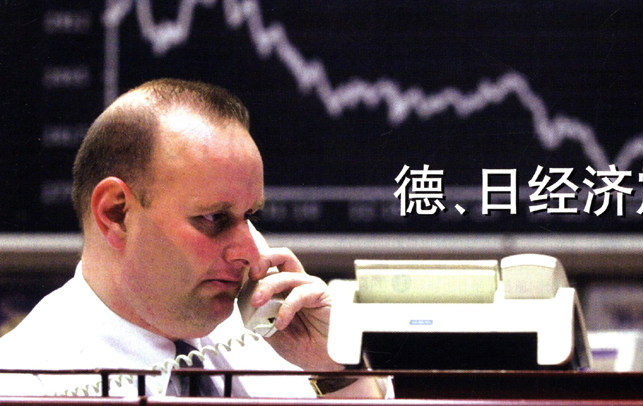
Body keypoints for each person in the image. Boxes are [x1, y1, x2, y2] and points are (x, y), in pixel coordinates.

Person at [0, 78, 388, 398]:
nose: (253, 256)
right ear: (115, 214)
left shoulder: (279, 343)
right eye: (214, 219)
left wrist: (337, 370)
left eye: (250, 217)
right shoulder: (24, 385)